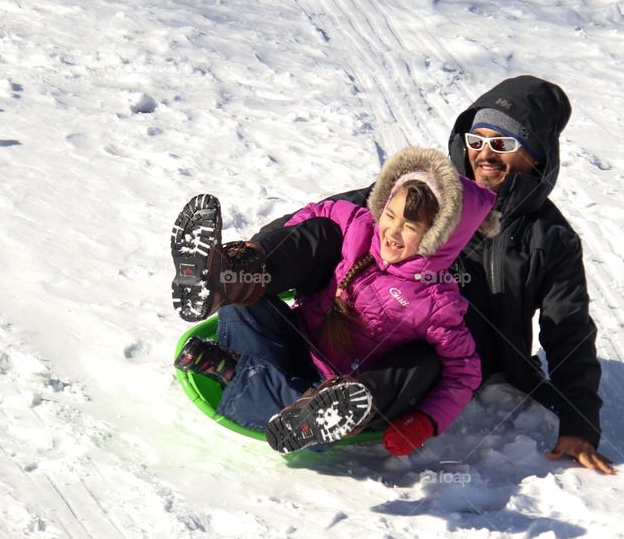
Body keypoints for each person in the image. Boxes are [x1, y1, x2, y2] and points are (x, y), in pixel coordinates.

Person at [268, 76, 613, 474]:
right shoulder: (436, 196)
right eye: (477, 141)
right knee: (332, 228)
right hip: (370, 319)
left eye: (502, 144)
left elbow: (568, 327)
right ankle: (241, 276)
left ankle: (340, 406)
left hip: (444, 352)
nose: (485, 154)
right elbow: (326, 216)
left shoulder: (550, 239)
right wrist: (265, 252)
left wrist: (579, 420)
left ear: (536, 156)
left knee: (422, 360)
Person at [170, 147, 498, 455]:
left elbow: (462, 371)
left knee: (423, 362)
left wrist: (428, 420)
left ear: (438, 238)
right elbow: (314, 215)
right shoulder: (358, 225)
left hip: (336, 392)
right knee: (261, 290)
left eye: (410, 226)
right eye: (391, 214)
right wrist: (273, 258)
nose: (393, 231)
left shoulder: (436, 301)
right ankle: (224, 279)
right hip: (295, 343)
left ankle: (237, 375)